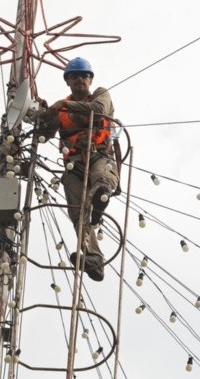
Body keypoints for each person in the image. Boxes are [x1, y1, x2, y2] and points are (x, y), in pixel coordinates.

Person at [36, 57, 119, 281]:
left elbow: (98, 109)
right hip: (74, 165)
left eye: (84, 75)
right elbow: (43, 136)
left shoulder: (100, 94)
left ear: (90, 79)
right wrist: (41, 113)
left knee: (101, 178)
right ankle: (94, 259)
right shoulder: (61, 111)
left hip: (100, 155)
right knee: (77, 213)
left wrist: (62, 105)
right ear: (68, 82)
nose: (80, 79)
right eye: (74, 76)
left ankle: (100, 199)